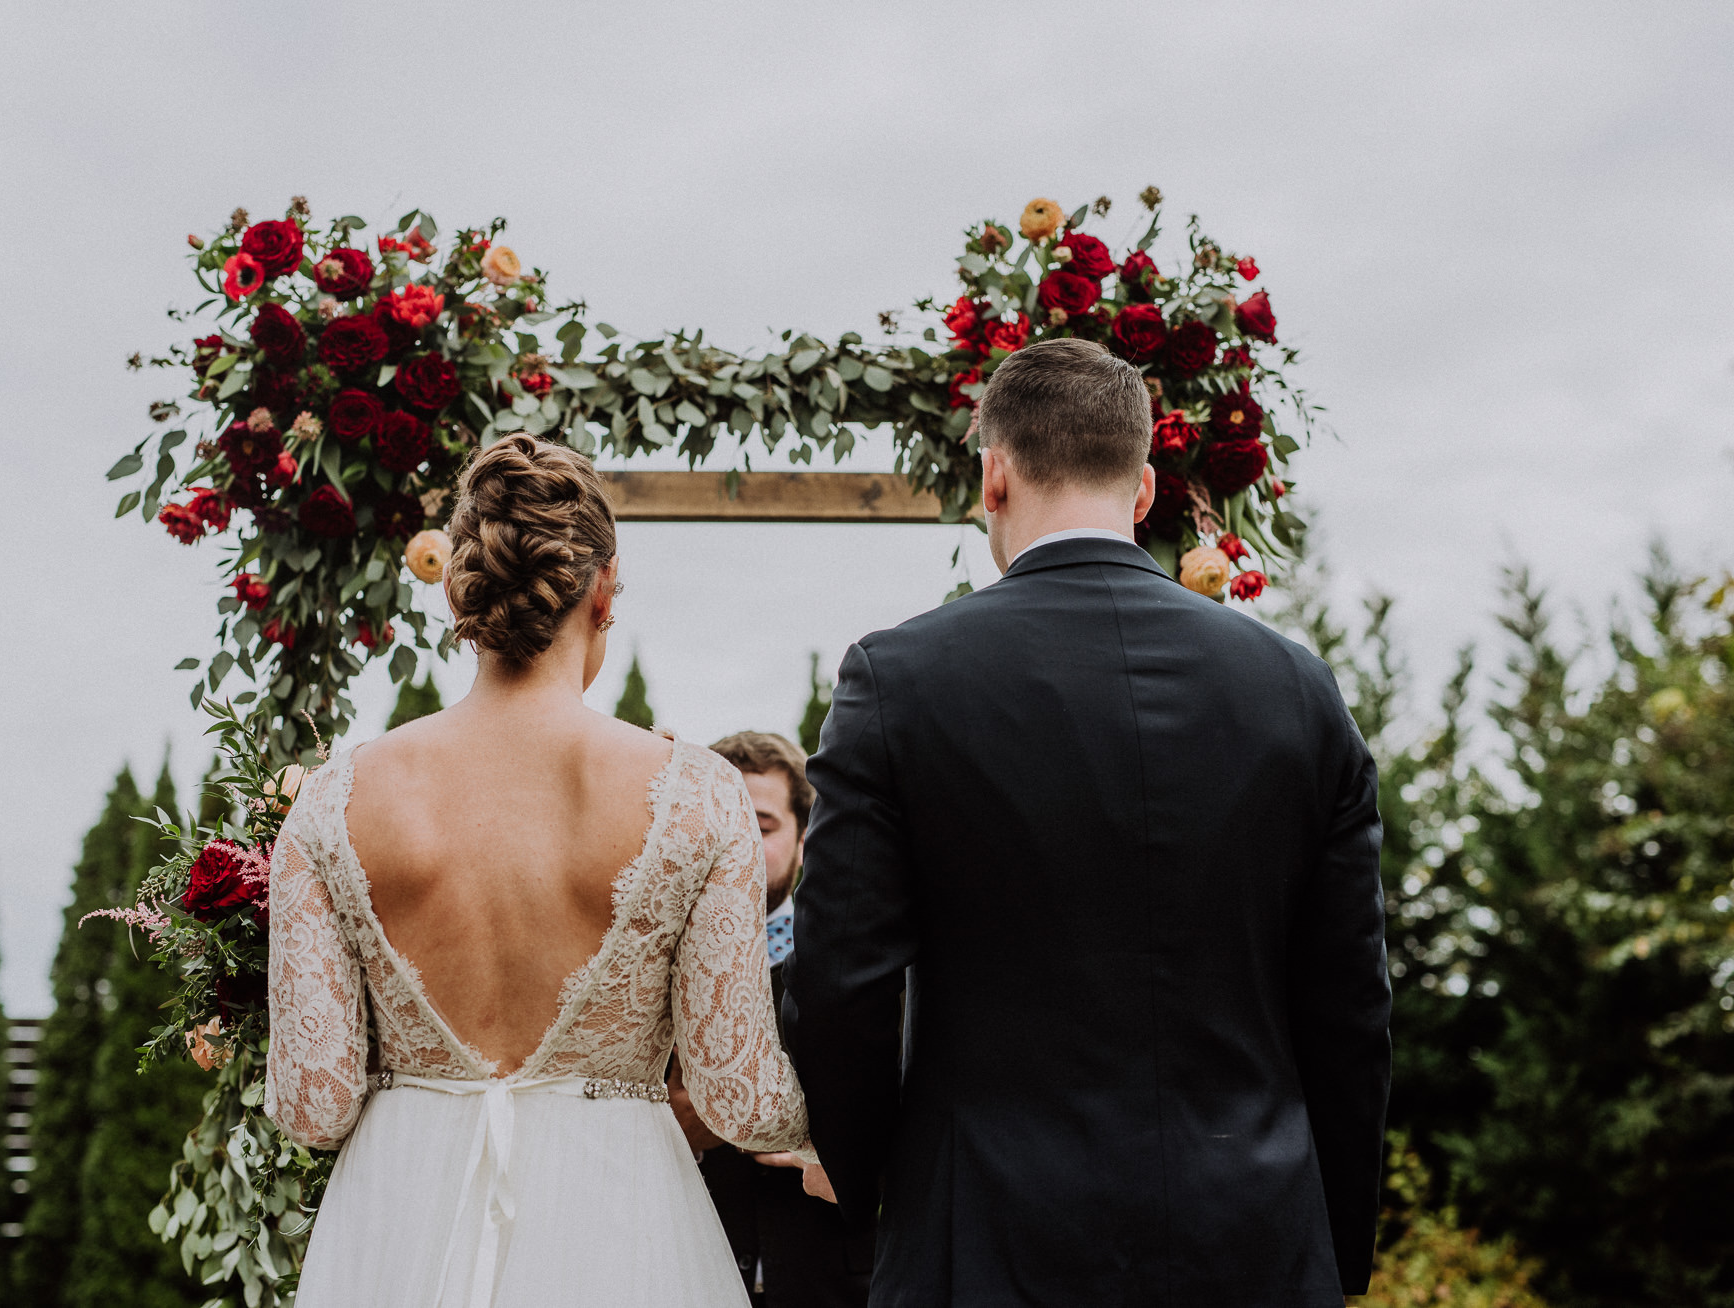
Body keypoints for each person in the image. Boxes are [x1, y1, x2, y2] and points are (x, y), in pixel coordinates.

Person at [784, 338, 1391, 1307]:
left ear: (992, 475)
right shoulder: (1297, 692)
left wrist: (866, 1190)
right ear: (1144, 489)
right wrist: (1330, 1242)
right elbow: (1350, 1005)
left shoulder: (898, 680)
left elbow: (840, 979)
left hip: (980, 1240)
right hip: (1255, 1244)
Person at [265, 434, 820, 1308]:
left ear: (458, 590)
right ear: (602, 591)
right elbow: (736, 1095)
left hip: (399, 1225)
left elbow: (314, 1105)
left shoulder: (335, 800)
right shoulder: (694, 796)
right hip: (620, 1217)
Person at [671, 731, 874, 1307]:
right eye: (722, 823)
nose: (736, 845)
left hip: (833, 1278)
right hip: (687, 1267)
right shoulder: (645, 957)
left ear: (805, 840)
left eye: (758, 828)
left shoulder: (860, 959)